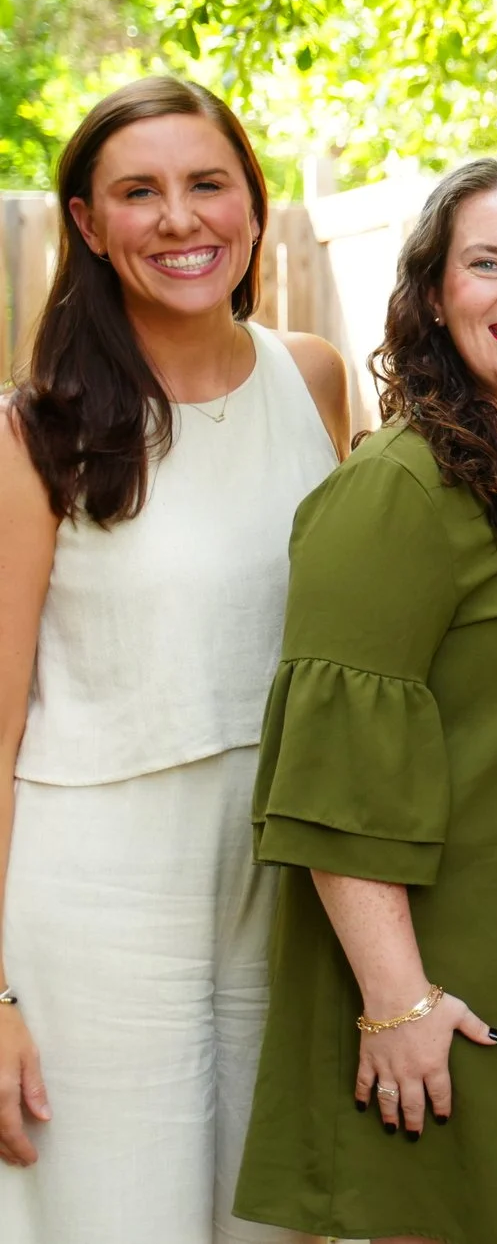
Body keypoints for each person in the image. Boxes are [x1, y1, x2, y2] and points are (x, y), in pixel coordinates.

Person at [235, 156, 497, 1244]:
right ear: (435, 296)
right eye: (487, 264)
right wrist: (399, 999)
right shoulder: (403, 483)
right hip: (454, 985)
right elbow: (331, 772)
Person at [0, 78, 347, 1242]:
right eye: (137, 192)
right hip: (95, 889)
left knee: (282, 1216)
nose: (180, 218)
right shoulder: (33, 429)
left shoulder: (314, 378)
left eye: (207, 183)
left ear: (253, 200)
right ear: (88, 225)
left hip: (285, 875)